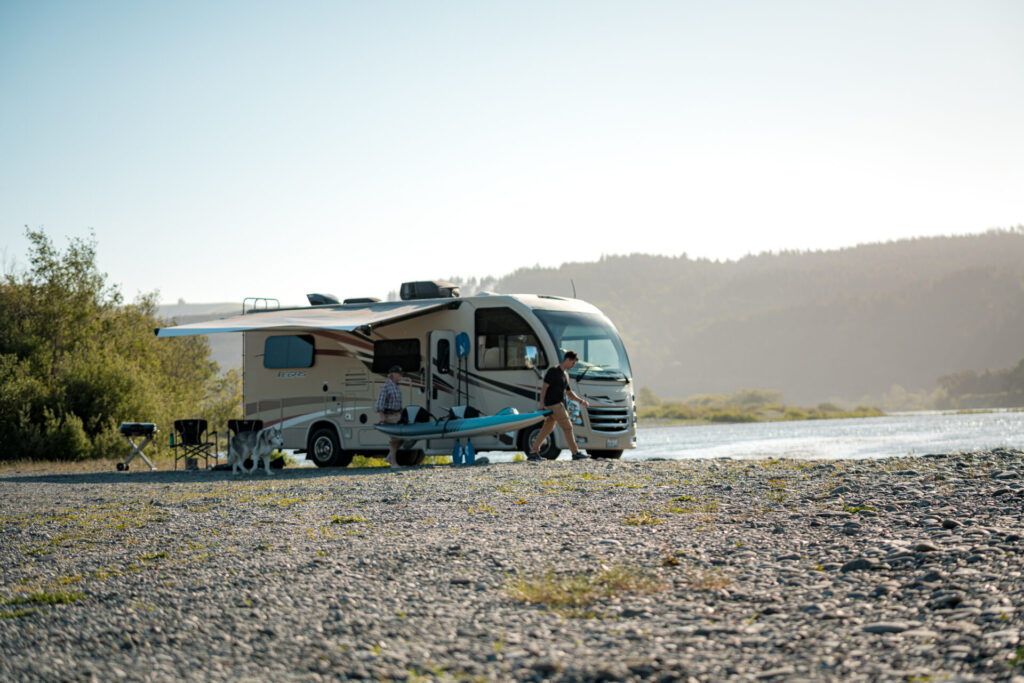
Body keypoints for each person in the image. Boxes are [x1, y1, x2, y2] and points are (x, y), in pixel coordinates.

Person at [527, 350, 590, 461]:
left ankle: (533, 452)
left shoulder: (565, 375)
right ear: (567, 360)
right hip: (555, 405)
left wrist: (581, 401)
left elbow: (569, 393)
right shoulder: (553, 371)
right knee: (568, 427)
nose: (573, 365)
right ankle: (575, 453)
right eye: (573, 362)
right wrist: (541, 405)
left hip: (555, 406)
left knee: (547, 429)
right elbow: (544, 388)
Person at [376, 365, 404, 467]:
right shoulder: (386, 386)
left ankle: (390, 456)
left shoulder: (398, 386)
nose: (401, 376)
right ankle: (394, 463)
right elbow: (380, 403)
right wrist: (382, 416)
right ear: (393, 374)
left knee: (403, 437)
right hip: (390, 415)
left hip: (398, 415)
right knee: (394, 439)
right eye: (399, 374)